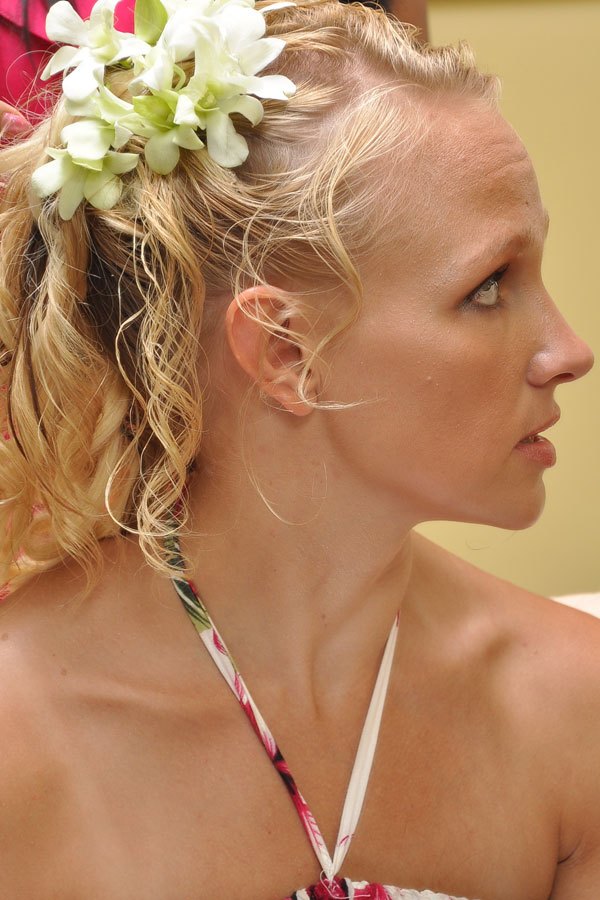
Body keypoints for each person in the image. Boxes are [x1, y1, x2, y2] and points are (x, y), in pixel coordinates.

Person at [0, 1, 598, 897]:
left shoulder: (576, 709)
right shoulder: (20, 745)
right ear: (287, 352)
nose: (569, 352)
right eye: (488, 287)